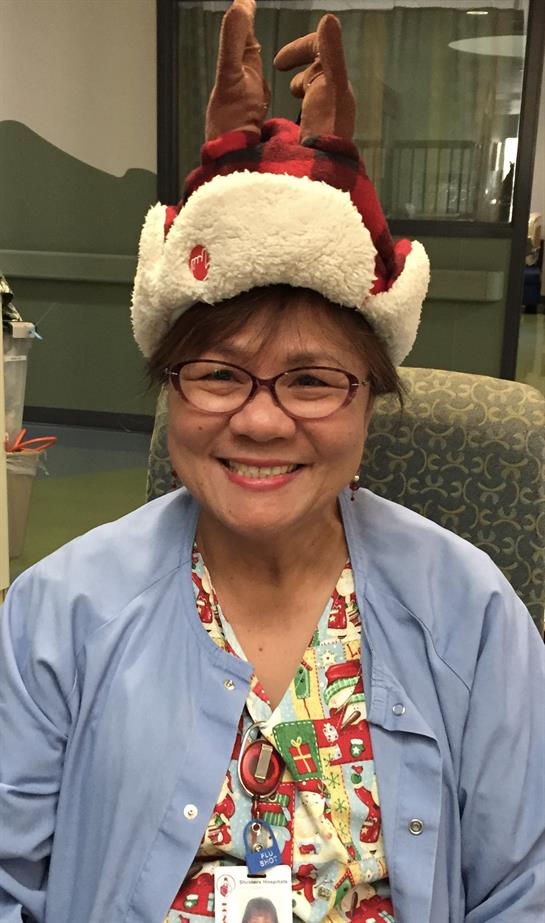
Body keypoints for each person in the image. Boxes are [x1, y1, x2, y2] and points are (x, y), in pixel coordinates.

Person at [0, 3, 543, 922]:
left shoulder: (469, 611)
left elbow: (521, 888)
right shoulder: (60, 614)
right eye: (217, 373)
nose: (259, 420)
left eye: (312, 380)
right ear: (169, 386)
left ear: (368, 393)